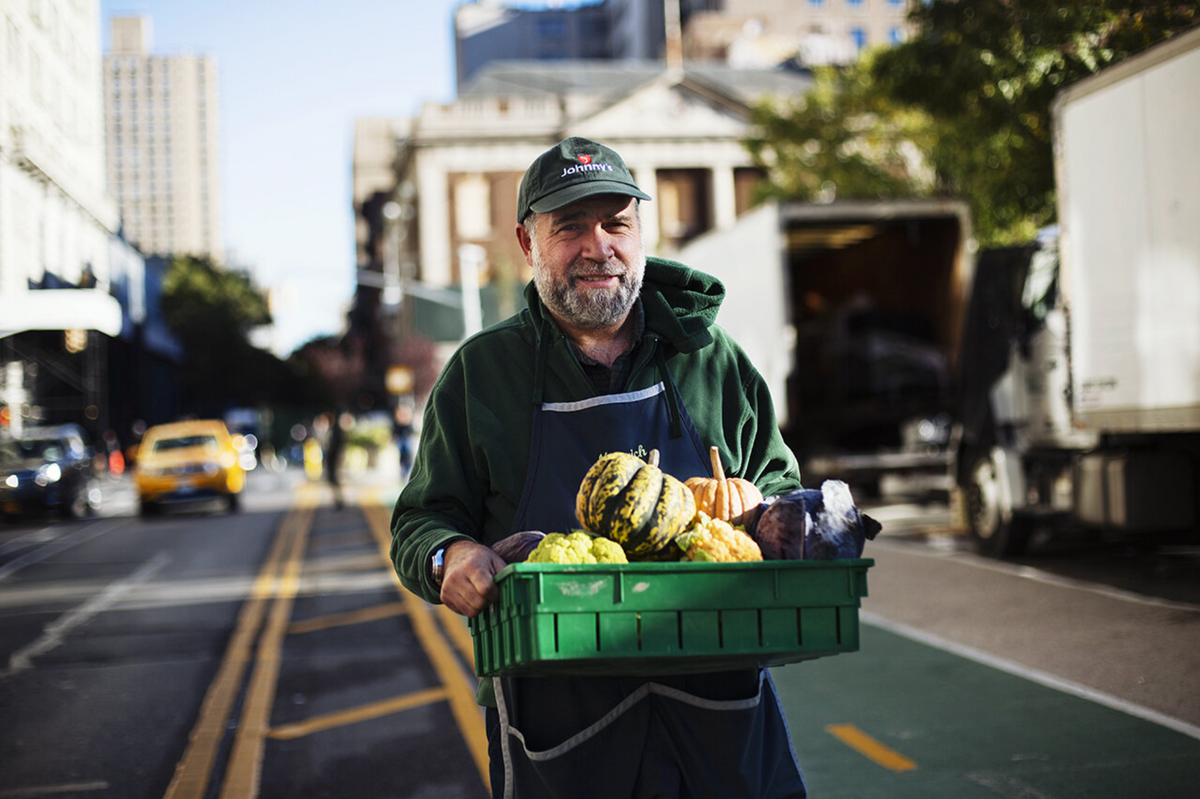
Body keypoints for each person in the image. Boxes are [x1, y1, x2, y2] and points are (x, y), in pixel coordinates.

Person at [390, 137, 807, 797]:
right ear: (528, 244)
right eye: (570, 228)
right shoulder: (481, 375)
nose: (597, 246)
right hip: (563, 735)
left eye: (616, 223)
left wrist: (773, 511)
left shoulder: (710, 359)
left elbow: (781, 482)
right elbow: (422, 519)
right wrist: (449, 555)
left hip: (720, 716)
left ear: (640, 232)